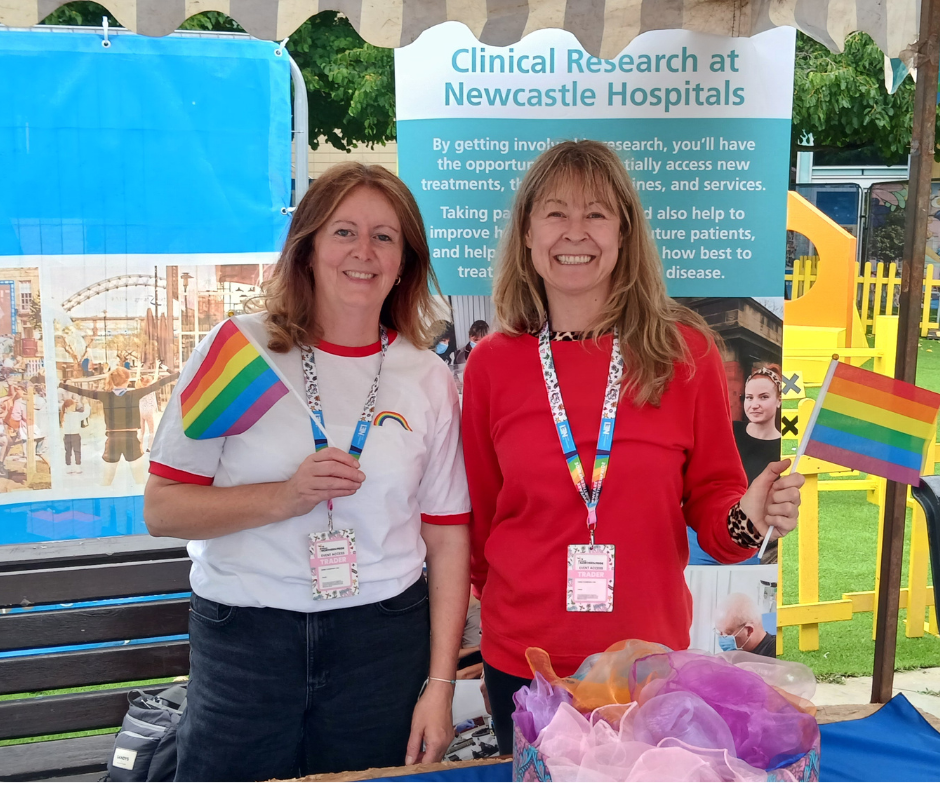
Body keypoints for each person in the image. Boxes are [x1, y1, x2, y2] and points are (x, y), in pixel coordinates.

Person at [461, 140, 805, 754]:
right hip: (524, 662)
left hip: (647, 662)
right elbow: (482, 519)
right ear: (527, 234)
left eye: (596, 213)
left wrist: (748, 518)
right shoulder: (491, 365)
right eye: (555, 212)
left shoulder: (685, 352)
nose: (575, 232)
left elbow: (716, 508)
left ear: (624, 233)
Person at [143, 162, 471, 781]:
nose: (364, 252)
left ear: (406, 260)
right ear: (309, 247)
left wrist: (440, 683)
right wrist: (284, 496)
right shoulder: (242, 351)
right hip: (247, 638)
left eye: (385, 236)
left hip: (381, 640)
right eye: (344, 231)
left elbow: (447, 532)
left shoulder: (425, 375)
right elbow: (163, 508)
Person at [59, 368, 178, 486]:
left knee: (106, 482)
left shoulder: (105, 396)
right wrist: (177, 374)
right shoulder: (134, 394)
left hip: (113, 440)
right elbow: (158, 384)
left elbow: (81, 391)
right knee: (140, 482)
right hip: (131, 440)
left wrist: (60, 384)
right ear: (127, 380)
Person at [715, 592, 776, 657]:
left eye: (728, 634)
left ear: (749, 630)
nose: (722, 638)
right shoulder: (737, 654)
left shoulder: (776, 655)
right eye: (720, 632)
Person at [62, 397, 88, 474]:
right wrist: (86, 404)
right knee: (77, 451)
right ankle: (77, 466)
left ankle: (68, 467)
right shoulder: (76, 415)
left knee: (68, 452)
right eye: (73, 406)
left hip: (66, 436)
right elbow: (86, 413)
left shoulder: (63, 415)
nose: (75, 407)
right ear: (69, 406)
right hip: (75, 435)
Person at [137, 374, 159, 453]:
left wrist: (139, 367)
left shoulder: (139, 388)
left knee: (142, 431)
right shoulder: (151, 388)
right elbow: (156, 377)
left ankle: (139, 447)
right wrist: (157, 366)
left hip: (141, 410)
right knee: (151, 430)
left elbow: (137, 377)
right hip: (149, 411)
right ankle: (150, 447)